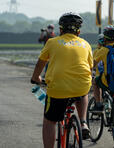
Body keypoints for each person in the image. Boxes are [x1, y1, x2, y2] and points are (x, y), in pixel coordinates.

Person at [31, 12, 93, 148]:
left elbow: (40, 63)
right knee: (83, 91)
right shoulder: (86, 44)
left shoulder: (52, 42)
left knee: (49, 121)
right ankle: (83, 122)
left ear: (60, 29)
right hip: (81, 86)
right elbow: (90, 67)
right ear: (79, 31)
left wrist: (36, 78)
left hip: (58, 89)